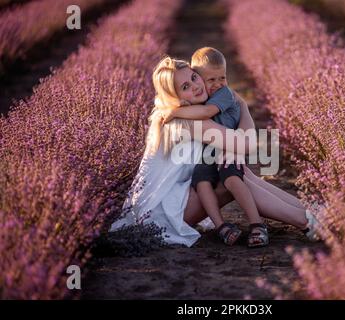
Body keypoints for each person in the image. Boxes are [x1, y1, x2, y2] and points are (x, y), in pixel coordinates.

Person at [109, 56, 319, 248]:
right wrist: (243, 105)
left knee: (236, 169)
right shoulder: (189, 121)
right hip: (162, 215)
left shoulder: (174, 114)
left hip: (166, 205)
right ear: (177, 98)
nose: (196, 86)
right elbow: (248, 145)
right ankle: (306, 220)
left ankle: (309, 212)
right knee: (230, 176)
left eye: (194, 77)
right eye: (185, 86)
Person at [161, 47, 266, 247]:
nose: (218, 84)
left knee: (234, 179)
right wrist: (183, 106)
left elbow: (207, 111)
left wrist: (175, 112)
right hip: (211, 153)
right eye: (211, 80)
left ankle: (257, 224)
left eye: (222, 78)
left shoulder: (225, 94)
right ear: (200, 77)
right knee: (201, 182)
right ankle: (221, 227)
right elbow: (198, 110)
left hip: (228, 151)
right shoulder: (201, 97)